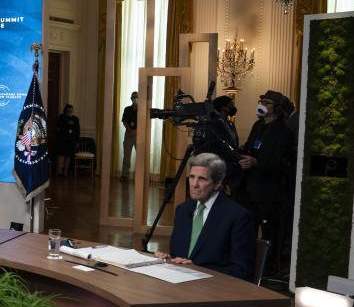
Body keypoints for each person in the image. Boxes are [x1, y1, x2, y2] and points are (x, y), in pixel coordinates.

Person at [156, 153, 256, 281]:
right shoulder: (182, 210)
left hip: (215, 290)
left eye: (202, 179)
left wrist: (197, 270)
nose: (194, 184)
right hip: (180, 285)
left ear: (217, 184)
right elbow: (180, 256)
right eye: (192, 177)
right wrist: (168, 259)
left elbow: (242, 271)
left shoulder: (238, 216)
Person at [238, 90, 295, 280]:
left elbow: (281, 164)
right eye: (261, 100)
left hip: (270, 194)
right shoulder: (257, 126)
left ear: (277, 108)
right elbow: (249, 147)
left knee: (270, 235)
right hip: (251, 190)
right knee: (247, 231)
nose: (262, 104)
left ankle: (267, 271)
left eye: (267, 102)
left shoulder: (283, 132)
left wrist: (256, 163)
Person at [56, 104, 79, 177]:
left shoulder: (75, 119)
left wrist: (77, 141)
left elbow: (77, 130)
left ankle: (65, 172)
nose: (70, 112)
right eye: (69, 111)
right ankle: (59, 171)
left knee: (68, 156)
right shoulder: (61, 117)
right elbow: (59, 127)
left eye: (71, 111)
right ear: (65, 111)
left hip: (71, 140)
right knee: (61, 155)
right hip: (62, 139)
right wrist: (67, 124)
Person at [120, 91, 138, 181]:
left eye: (137, 97)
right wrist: (130, 130)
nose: (135, 99)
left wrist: (136, 131)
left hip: (139, 136)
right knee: (126, 156)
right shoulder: (127, 109)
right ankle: (124, 175)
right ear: (131, 99)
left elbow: (144, 123)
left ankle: (139, 176)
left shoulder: (142, 109)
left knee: (140, 156)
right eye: (133, 97)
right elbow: (124, 121)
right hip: (128, 135)